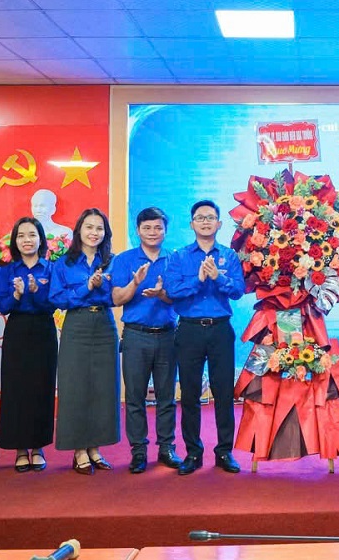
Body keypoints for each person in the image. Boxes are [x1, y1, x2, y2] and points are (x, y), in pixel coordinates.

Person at [164, 200, 245, 476]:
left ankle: (224, 451)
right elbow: (173, 291)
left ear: (219, 223)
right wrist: (198, 279)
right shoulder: (179, 256)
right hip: (189, 330)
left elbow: (238, 291)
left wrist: (218, 277)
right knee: (189, 393)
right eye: (200, 218)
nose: (206, 222)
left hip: (221, 329)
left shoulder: (229, 256)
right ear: (192, 224)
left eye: (211, 217)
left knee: (223, 393)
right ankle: (193, 452)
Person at [111, 207, 181, 475]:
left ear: (165, 231)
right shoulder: (125, 260)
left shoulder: (175, 259)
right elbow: (117, 298)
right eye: (147, 228)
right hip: (135, 336)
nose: (153, 232)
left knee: (166, 397)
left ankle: (167, 448)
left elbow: (180, 299)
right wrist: (135, 284)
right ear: (138, 230)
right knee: (135, 397)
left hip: (167, 335)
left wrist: (162, 294)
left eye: (158, 228)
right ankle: (138, 451)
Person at [50, 208, 118, 476]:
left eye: (99, 228)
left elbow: (116, 296)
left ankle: (95, 448)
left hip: (104, 324)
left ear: (105, 233)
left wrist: (104, 286)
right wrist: (87, 287)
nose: (94, 233)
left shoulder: (112, 261)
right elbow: (57, 298)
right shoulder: (64, 263)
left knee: (103, 387)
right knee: (75, 387)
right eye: (89, 227)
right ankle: (79, 449)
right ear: (79, 230)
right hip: (76, 324)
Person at [0, 217, 58, 473]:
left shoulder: (51, 269)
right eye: (21, 236)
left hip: (44, 330)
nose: (27, 240)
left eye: (32, 235)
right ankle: (20, 449)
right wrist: (17, 294)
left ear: (41, 239)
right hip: (17, 331)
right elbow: (2, 306)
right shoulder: (7, 271)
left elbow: (54, 304)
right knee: (16, 389)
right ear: (15, 241)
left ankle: (38, 447)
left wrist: (36, 292)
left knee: (42, 387)